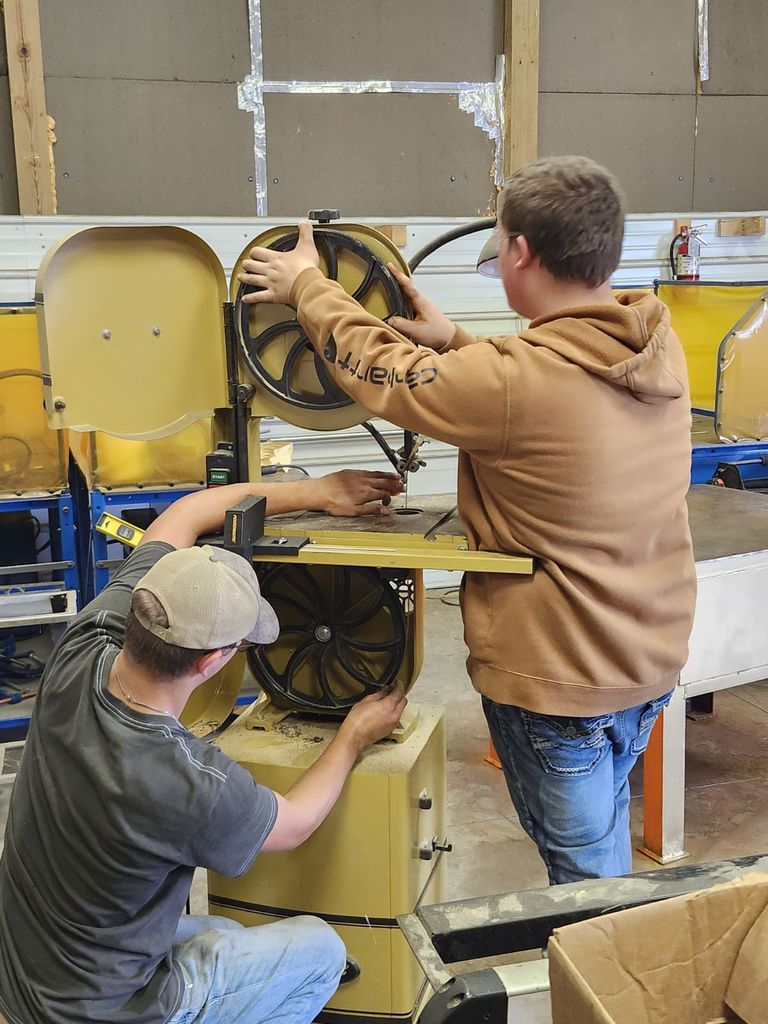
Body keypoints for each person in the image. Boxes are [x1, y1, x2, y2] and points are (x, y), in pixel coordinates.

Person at [237, 155, 697, 885]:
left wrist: (308, 289)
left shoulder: (513, 382)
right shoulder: (654, 342)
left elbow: (374, 366)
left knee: (587, 893)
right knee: (603, 842)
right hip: (646, 664)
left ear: (517, 251)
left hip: (560, 679)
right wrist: (454, 343)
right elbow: (544, 385)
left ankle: (611, 981)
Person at [0, 469, 407, 1024]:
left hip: (27, 968)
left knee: (225, 932)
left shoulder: (85, 642)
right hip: (103, 1011)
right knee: (320, 951)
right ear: (213, 661)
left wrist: (320, 492)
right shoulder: (188, 780)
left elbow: (185, 515)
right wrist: (353, 736)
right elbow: (294, 824)